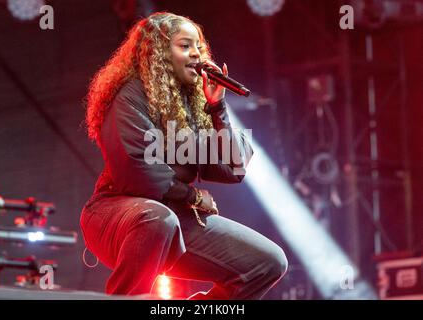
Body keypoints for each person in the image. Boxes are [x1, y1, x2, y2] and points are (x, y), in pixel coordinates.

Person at [81, 11, 287, 300]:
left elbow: (235, 167)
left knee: (267, 263)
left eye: (198, 46)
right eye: (185, 45)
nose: (196, 54)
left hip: (174, 218)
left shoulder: (194, 104)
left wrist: (218, 108)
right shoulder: (130, 95)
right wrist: (191, 196)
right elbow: (138, 170)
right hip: (116, 212)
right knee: (158, 220)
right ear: (160, 53)